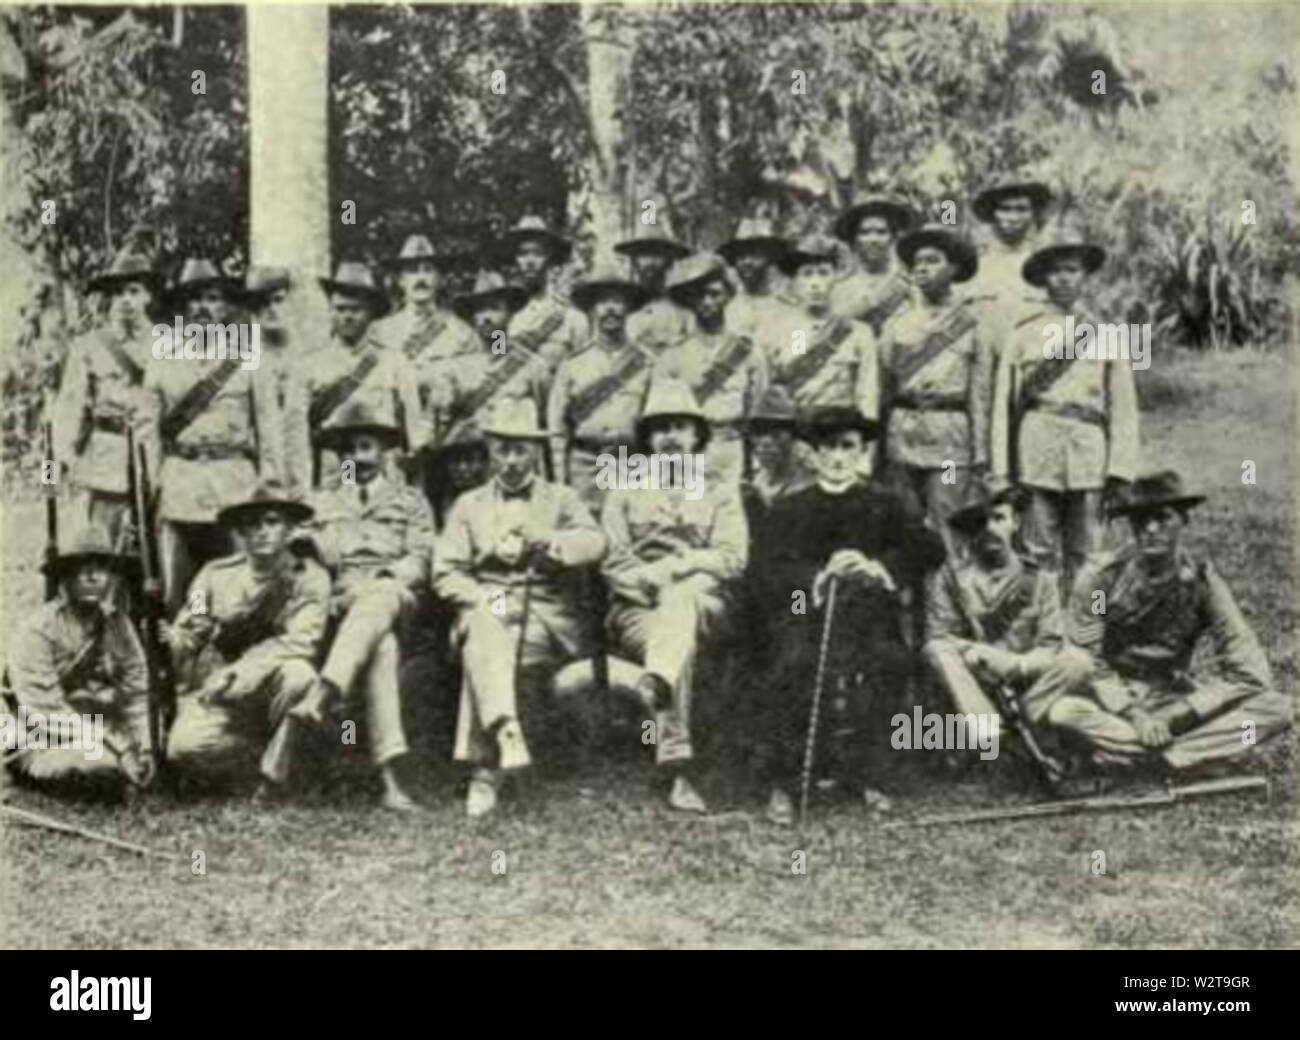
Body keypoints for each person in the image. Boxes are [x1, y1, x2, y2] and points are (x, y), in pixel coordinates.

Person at [752, 406, 945, 824]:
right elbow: (767, 567)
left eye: (847, 447)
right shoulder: (791, 507)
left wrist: (877, 567)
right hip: (807, 612)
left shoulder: (885, 502)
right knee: (792, 664)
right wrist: (817, 576)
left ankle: (869, 774)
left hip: (869, 612)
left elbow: (929, 548)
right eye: (828, 448)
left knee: (886, 660)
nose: (837, 458)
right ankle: (787, 780)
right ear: (814, 454)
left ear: (861, 452)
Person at [432, 397, 606, 817]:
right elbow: (445, 572)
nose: (510, 461)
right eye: (502, 449)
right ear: (489, 451)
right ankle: (502, 742)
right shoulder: (468, 505)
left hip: (544, 606)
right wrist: (484, 598)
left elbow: (597, 541)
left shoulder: (561, 498)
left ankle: (484, 768)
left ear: (535, 452)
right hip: (488, 597)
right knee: (488, 625)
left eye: (520, 449)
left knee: (489, 641)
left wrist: (554, 545)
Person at [1049, 471, 1290, 774]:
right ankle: (1190, 754)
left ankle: (1157, 757)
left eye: (1163, 518)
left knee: (1275, 709)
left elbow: (1250, 670)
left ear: (1183, 521)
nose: (1150, 528)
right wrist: (1135, 715)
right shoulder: (1101, 581)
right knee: (1064, 712)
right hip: (1112, 702)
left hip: (1172, 699)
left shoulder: (1202, 583)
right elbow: (1089, 656)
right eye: (1140, 519)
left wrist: (1181, 712)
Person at [601, 377, 748, 814]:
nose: (670, 437)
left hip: (708, 603)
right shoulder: (624, 490)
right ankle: (679, 767)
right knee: (673, 631)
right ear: (647, 438)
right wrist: (653, 585)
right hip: (638, 608)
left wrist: (679, 568)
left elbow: (733, 559)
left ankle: (656, 692)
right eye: (660, 427)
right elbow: (612, 566)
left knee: (681, 605)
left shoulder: (720, 489)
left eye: (681, 427)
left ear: (696, 436)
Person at [297, 399, 433, 811]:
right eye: (350, 449)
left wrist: (384, 580)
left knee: (380, 601)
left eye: (367, 447)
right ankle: (389, 780)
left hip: (396, 596)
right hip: (341, 604)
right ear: (340, 456)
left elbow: (422, 557)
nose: (359, 457)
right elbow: (305, 555)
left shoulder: (410, 501)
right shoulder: (320, 503)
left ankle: (323, 693)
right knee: (381, 647)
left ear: (385, 452)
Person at [990, 223, 1139, 594]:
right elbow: (1002, 408)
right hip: (1035, 452)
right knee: (1035, 552)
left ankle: (1086, 635)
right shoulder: (1021, 334)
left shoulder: (1106, 334)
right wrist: (1001, 472)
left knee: (1089, 554)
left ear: (1085, 276)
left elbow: (1124, 407)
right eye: (1055, 271)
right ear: (1043, 278)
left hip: (1090, 456)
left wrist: (1120, 470)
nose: (1064, 279)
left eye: (1072, 270)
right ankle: (1037, 633)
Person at [165, 481, 331, 799]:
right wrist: (173, 640)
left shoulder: (308, 577)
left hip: (270, 686)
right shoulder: (212, 575)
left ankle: (277, 776)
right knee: (183, 750)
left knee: (301, 676)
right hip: (223, 692)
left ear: (290, 529)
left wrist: (238, 673)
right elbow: (193, 626)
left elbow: (300, 641)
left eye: (272, 522)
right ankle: (264, 757)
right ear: (240, 532)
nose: (262, 532)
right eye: (252, 524)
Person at [923, 482, 1090, 763]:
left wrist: (1015, 664)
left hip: (1026, 681)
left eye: (998, 518)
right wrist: (972, 653)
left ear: (1015, 522)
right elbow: (940, 634)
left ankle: (1017, 729)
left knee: (1078, 661)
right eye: (979, 523)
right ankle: (990, 731)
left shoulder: (1040, 579)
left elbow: (1051, 645)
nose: (989, 529)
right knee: (936, 650)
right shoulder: (950, 578)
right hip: (973, 684)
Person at [141, 258, 273, 613]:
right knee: (178, 591)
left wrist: (269, 484)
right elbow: (148, 430)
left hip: (234, 486)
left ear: (226, 306)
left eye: (212, 298)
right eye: (193, 299)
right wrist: (152, 485)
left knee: (239, 587)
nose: (202, 308)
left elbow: (269, 428)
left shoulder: (248, 356)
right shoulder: (162, 357)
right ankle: (182, 661)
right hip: (180, 484)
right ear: (181, 307)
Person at [5, 525, 154, 796]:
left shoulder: (119, 625)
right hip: (47, 736)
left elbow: (137, 693)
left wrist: (146, 746)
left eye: (101, 568)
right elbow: (46, 712)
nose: (92, 576)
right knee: (98, 767)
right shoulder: (38, 631)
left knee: (171, 750)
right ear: (65, 577)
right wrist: (118, 747)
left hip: (107, 727)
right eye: (81, 568)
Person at [878, 223, 992, 551]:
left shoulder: (973, 324)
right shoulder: (895, 325)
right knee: (903, 524)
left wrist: (981, 455)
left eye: (932, 260)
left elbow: (980, 394)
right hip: (902, 438)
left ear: (954, 269)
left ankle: (948, 597)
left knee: (949, 523)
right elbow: (883, 389)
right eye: (916, 263)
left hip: (951, 443)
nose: (922, 269)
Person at [51, 249, 161, 544]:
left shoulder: (169, 343)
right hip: (107, 458)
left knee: (156, 545)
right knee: (105, 542)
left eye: (134, 291)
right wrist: (61, 461)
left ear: (148, 296)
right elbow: (69, 406)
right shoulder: (89, 346)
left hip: (154, 454)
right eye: (118, 292)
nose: (126, 299)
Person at [420, 269, 547, 522]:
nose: (486, 318)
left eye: (494, 309)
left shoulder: (533, 368)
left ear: (510, 313)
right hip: (467, 476)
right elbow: (435, 428)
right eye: (479, 311)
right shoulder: (453, 369)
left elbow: (543, 423)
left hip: (515, 472)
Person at [758, 235, 878, 477]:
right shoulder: (773, 330)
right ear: (794, 281)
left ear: (836, 277)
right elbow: (763, 396)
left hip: (839, 442)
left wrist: (864, 460)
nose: (815, 283)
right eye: (807, 274)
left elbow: (867, 395)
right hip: (793, 439)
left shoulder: (858, 333)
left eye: (823, 273)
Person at [546, 264, 654, 511]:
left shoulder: (647, 363)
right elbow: (557, 428)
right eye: (602, 302)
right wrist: (561, 480)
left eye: (618, 301)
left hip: (632, 461)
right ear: (591, 310)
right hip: (585, 466)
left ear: (628, 308)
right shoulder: (573, 365)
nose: (610, 309)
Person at [654, 253, 768, 487]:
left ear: (727, 296)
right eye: (698, 295)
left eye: (714, 294)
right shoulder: (672, 355)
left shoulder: (748, 352)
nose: (707, 302)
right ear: (689, 300)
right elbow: (660, 419)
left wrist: (753, 465)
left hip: (733, 449)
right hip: (689, 452)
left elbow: (757, 412)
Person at [305, 261, 422, 486]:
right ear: (330, 310)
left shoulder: (394, 362)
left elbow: (413, 434)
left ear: (370, 313)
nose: (347, 316)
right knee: (344, 508)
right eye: (340, 309)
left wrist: (412, 479)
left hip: (384, 465)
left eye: (356, 310)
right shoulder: (312, 365)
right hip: (338, 464)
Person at [369, 234, 479, 419]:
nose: (421, 278)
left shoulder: (462, 334)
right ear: (401, 281)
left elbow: (475, 387)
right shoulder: (378, 332)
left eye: (428, 270)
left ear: (440, 280)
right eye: (412, 271)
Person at [245, 266, 311, 491]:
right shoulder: (243, 363)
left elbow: (339, 440)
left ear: (292, 302)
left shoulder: (312, 361)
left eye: (278, 300)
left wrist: (346, 483)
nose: (271, 309)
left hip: (309, 485)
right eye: (261, 304)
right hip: (259, 488)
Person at [500, 215, 590, 371]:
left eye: (537, 253)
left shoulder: (572, 317)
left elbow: (584, 372)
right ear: (515, 259)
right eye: (522, 254)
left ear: (550, 258)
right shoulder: (503, 319)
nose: (529, 261)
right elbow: (496, 368)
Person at [829, 194, 917, 336]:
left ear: (892, 237)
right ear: (854, 240)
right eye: (865, 232)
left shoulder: (907, 280)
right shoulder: (839, 287)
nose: (873, 239)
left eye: (881, 232)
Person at [615, 224, 694, 347]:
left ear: (669, 262)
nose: (649, 263)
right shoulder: (625, 312)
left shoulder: (684, 314)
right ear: (635, 263)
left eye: (656, 254)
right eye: (643, 255)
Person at [718, 216, 792, 337]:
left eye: (753, 253)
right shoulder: (735, 310)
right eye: (740, 255)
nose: (746, 262)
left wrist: (799, 350)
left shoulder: (790, 292)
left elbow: (801, 335)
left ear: (770, 254)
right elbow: (742, 348)